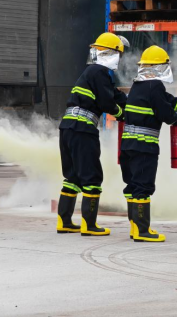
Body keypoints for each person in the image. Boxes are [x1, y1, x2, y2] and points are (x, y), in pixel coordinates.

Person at [120, 45, 177, 242]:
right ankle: (143, 231)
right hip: (144, 146)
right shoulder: (154, 85)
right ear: (158, 67)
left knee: (133, 185)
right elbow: (163, 110)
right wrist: (175, 119)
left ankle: (134, 227)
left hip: (129, 146)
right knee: (143, 186)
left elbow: (166, 100)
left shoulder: (139, 85)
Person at [56, 32, 128, 236]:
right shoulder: (101, 72)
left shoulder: (91, 73)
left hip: (68, 127)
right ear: (112, 54)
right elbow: (107, 103)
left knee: (72, 177)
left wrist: (132, 103)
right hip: (83, 129)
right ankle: (89, 225)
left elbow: (114, 95)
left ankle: (64, 222)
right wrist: (122, 114)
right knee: (92, 177)